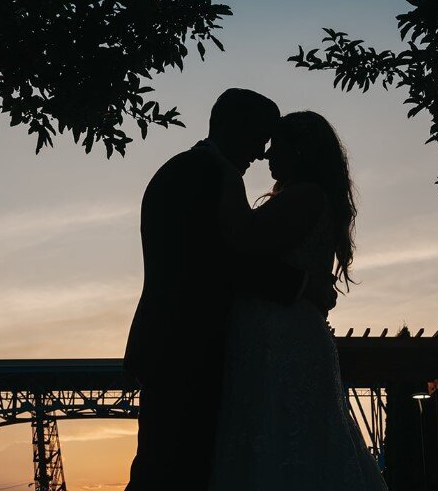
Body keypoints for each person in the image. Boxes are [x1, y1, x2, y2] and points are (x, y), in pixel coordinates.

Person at [124, 90, 335, 491]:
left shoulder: (194, 170)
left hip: (184, 344)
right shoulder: (204, 175)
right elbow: (220, 260)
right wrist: (305, 287)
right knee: (169, 470)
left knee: (174, 468)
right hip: (186, 345)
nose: (261, 154)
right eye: (260, 139)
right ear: (236, 127)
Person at [209, 110, 388, 490]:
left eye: (278, 148)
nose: (267, 157)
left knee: (279, 437)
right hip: (283, 332)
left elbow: (244, 246)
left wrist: (226, 180)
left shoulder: (305, 197)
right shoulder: (308, 198)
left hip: (281, 337)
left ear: (301, 152)